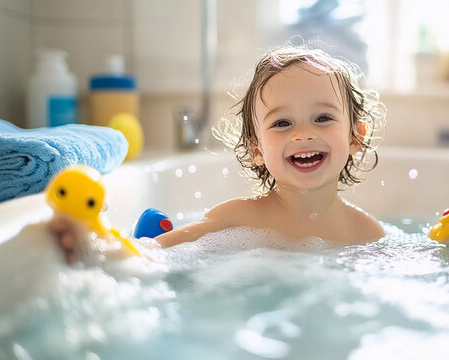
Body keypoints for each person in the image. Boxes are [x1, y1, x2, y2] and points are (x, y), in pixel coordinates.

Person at [49, 45, 387, 263]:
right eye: (282, 123)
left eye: (323, 118)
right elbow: (154, 252)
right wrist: (99, 247)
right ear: (257, 148)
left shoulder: (368, 233)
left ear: (356, 136)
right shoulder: (235, 219)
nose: (303, 134)